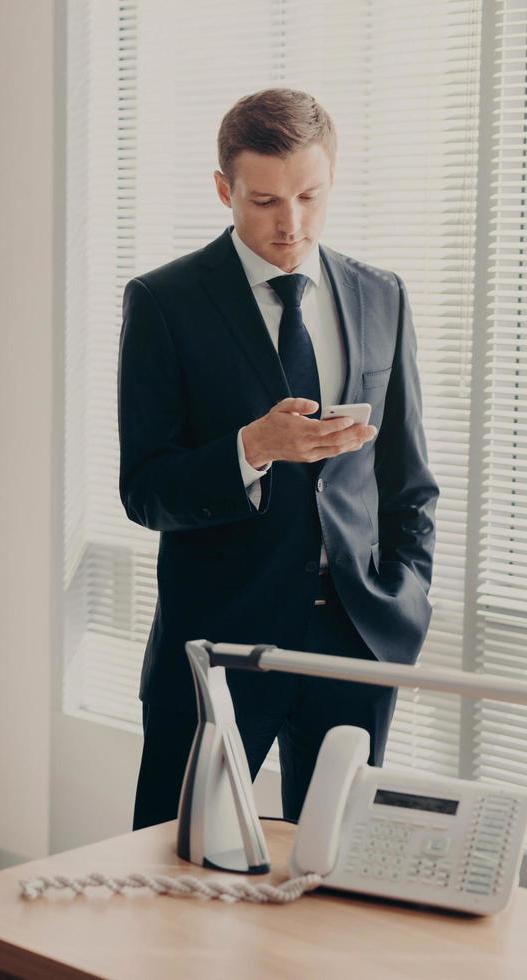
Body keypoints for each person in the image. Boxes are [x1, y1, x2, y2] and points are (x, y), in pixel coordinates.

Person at [120, 89, 439, 828]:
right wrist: (252, 448)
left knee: (334, 880)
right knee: (173, 867)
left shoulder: (380, 296)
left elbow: (408, 482)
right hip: (217, 645)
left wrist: (406, 600)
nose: (289, 223)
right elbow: (145, 490)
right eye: (264, 200)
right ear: (224, 190)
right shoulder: (164, 303)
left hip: (354, 641)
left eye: (308, 196)